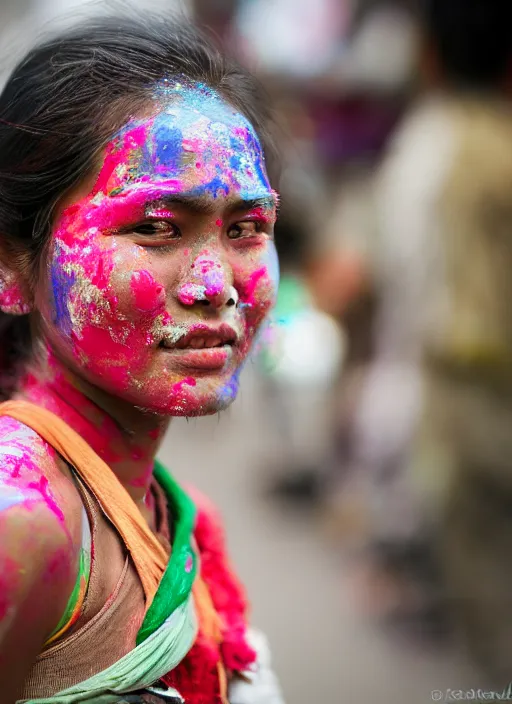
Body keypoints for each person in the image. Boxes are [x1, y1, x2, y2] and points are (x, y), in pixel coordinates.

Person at [0, 13, 284, 704]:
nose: (216, 284)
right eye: (155, 227)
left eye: (247, 227)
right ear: (10, 263)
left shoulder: (140, 499)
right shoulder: (21, 516)